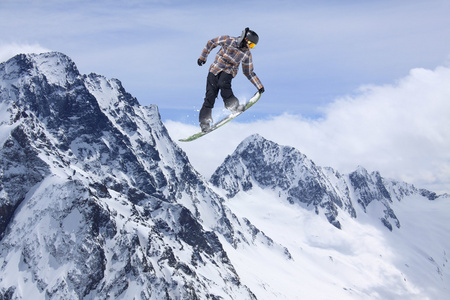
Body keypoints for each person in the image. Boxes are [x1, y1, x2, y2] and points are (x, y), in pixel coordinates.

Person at [197, 27, 265, 132]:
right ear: (244, 39)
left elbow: (248, 72)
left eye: (253, 46)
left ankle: (233, 106)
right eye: (250, 44)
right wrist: (203, 57)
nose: (250, 47)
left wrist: (259, 86)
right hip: (215, 68)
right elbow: (211, 42)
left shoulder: (246, 54)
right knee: (210, 95)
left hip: (229, 71)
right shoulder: (228, 40)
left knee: (223, 84)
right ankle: (204, 123)